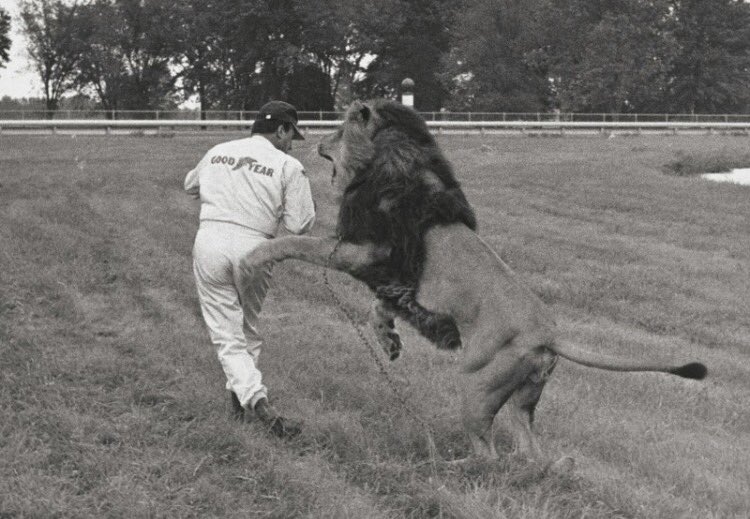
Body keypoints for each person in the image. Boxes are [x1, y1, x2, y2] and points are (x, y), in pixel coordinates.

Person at [185, 101, 315, 438]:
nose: (291, 143)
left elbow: (190, 185)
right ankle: (259, 405)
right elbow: (299, 225)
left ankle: (242, 404)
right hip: (255, 248)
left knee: (227, 335)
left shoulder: (218, 151)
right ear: (282, 130)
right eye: (291, 135)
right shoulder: (288, 165)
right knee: (247, 329)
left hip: (210, 241)